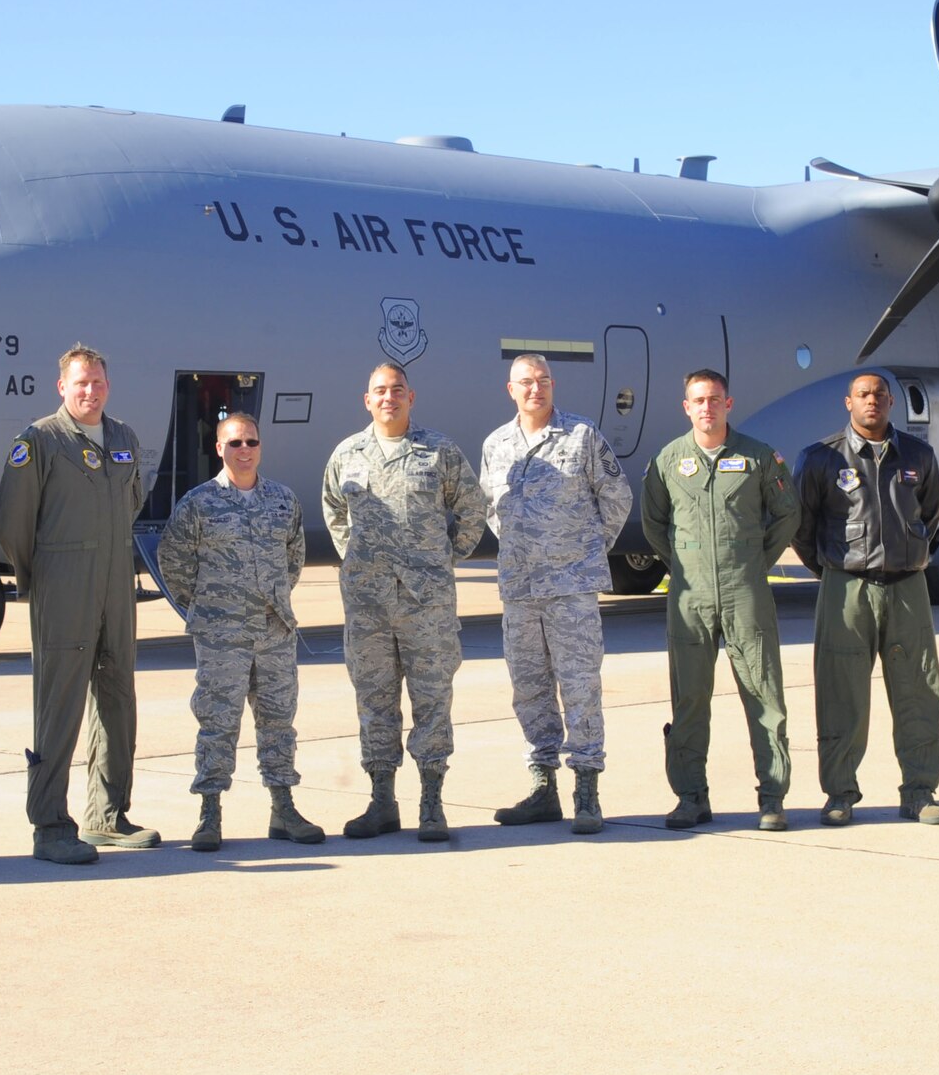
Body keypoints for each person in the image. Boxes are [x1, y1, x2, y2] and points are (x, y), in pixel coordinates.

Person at [0, 344, 155, 865]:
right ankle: (48, 824)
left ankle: (107, 816)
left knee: (117, 698)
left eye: (98, 382)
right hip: (62, 585)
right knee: (59, 704)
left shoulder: (124, 437)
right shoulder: (40, 440)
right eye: (80, 383)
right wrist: (39, 578)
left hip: (114, 584)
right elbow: (12, 522)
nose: (90, 391)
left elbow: (132, 501)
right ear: (62, 387)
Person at [320, 362, 487, 843]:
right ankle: (381, 800)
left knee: (432, 700)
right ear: (366, 400)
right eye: (379, 391)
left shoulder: (438, 452)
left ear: (411, 398)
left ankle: (432, 801)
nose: (388, 397)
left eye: (397, 390)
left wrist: (444, 557)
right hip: (368, 605)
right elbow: (334, 509)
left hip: (426, 604)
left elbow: (472, 508)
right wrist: (353, 558)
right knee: (374, 701)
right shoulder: (347, 454)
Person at [640, 368, 801, 831]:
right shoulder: (669, 460)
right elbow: (655, 524)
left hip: (744, 592)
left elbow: (787, 514)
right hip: (690, 599)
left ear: (728, 404)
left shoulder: (756, 457)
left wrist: (753, 562)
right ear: (685, 407)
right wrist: (684, 568)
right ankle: (691, 796)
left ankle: (772, 797)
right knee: (689, 700)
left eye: (714, 399)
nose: (706, 408)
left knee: (764, 696)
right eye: (698, 400)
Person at [478, 353, 632, 834]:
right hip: (520, 591)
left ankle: (587, 791)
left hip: (571, 589)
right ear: (510, 389)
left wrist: (585, 550)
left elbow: (617, 497)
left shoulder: (582, 436)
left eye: (543, 380)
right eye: (525, 382)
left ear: (553, 384)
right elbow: (490, 507)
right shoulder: (496, 444)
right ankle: (542, 787)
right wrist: (525, 551)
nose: (535, 389)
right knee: (530, 688)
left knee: (580, 685)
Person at [157, 413, 323, 851]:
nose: (244, 449)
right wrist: (208, 607)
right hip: (220, 635)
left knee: (278, 723)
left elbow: (294, 556)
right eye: (234, 443)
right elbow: (173, 561)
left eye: (251, 441)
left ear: (260, 446)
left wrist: (271, 598)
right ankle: (209, 813)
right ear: (219, 449)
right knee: (217, 722)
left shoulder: (283, 500)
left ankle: (283, 808)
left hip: (274, 632)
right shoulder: (199, 502)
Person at [792, 372, 939, 827]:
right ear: (848, 403)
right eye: (863, 394)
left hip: (906, 588)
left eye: (880, 394)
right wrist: (832, 570)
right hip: (846, 588)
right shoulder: (820, 458)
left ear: (892, 403)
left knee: (919, 691)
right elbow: (803, 527)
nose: (872, 401)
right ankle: (840, 793)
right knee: (841, 695)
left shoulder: (918, 455)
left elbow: (933, 516)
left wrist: (911, 556)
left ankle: (920, 791)